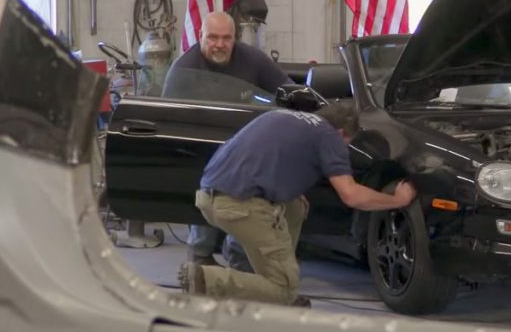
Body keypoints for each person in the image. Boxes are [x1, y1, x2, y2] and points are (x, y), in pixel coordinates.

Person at [178, 102, 417, 307]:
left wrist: (290, 190)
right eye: (346, 144)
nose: (343, 149)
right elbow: (351, 195)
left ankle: (249, 267)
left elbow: (261, 156)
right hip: (241, 206)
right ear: (342, 133)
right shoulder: (329, 135)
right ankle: (205, 278)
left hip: (207, 198)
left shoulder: (279, 115)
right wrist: (397, 200)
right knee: (285, 290)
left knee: (296, 206)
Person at [164, 11, 291, 268]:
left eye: (226, 38)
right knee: (210, 187)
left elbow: (287, 88)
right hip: (202, 151)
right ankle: (199, 254)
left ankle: (239, 257)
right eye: (212, 37)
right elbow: (168, 116)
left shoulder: (253, 59)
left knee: (249, 202)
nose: (220, 44)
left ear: (235, 38)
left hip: (248, 149)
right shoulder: (183, 70)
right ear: (200, 36)